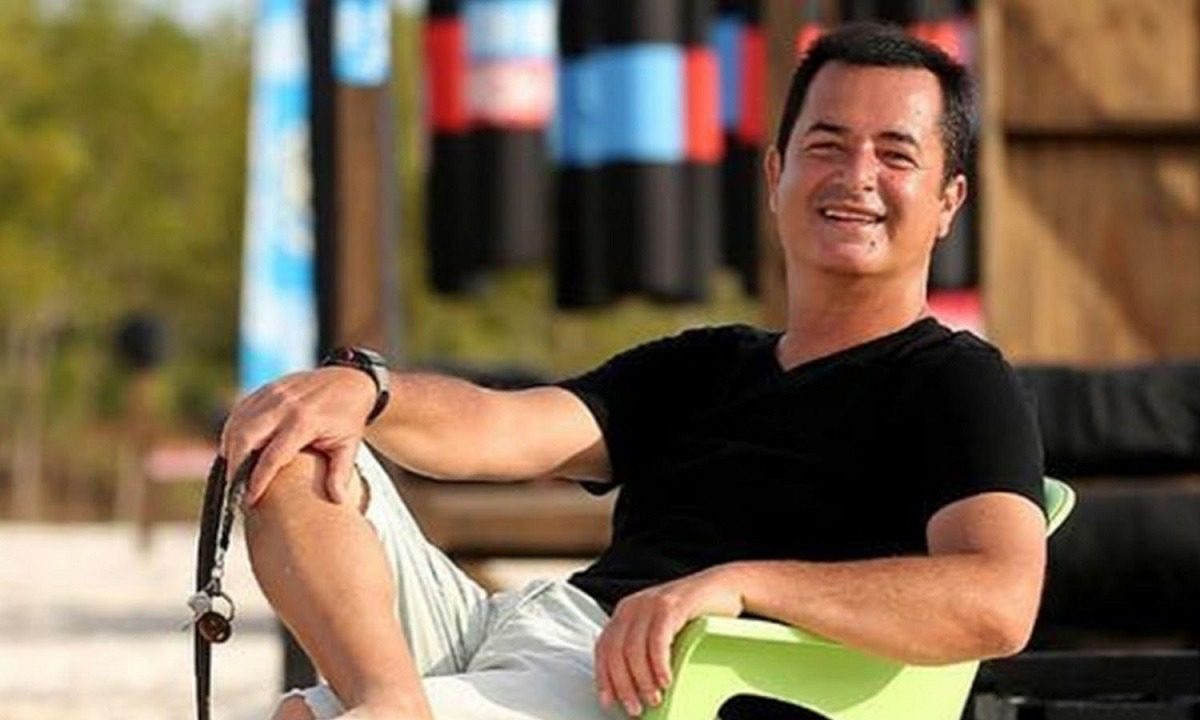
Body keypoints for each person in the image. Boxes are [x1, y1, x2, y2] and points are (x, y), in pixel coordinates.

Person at [222, 23, 1047, 720]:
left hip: (657, 681)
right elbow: (501, 429)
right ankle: (390, 701)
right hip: (529, 625)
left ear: (948, 201)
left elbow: (998, 602)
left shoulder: (957, 383)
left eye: (896, 154)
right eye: (826, 144)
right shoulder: (705, 364)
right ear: (776, 176)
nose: (856, 175)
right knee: (289, 442)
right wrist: (367, 390)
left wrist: (741, 585)